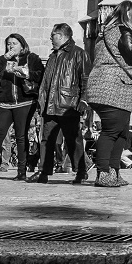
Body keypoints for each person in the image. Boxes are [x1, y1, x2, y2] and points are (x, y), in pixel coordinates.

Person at [82, 1, 132, 188]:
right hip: (113, 87)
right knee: (111, 131)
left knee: (122, 133)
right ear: (126, 13)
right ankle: (103, 173)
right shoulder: (123, 31)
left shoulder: (104, 34)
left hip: (106, 87)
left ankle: (114, 172)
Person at [0, 33, 45, 182]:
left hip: (24, 102)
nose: (11, 46)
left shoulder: (32, 58)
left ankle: (21, 172)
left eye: (14, 43)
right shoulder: (4, 60)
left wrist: (26, 73)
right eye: (9, 43)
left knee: (21, 136)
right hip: (5, 103)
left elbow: (40, 75)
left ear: (22, 45)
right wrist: (3, 59)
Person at [30, 23, 90, 184]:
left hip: (68, 105)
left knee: (73, 140)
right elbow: (46, 81)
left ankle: (81, 171)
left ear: (63, 36)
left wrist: (84, 100)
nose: (50, 38)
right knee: (46, 139)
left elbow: (85, 79)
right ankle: (43, 171)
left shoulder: (78, 54)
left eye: (53, 35)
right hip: (50, 105)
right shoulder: (53, 56)